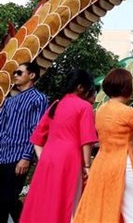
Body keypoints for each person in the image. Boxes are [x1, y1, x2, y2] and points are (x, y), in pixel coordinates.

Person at [74, 68, 133, 222]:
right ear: (127, 88)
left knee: (106, 207)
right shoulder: (128, 112)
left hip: (101, 165)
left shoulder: (100, 110)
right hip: (123, 165)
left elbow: (125, 131)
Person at [20, 69, 97, 223]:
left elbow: (36, 139)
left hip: (48, 158)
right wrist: (87, 165)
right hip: (69, 159)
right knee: (69, 202)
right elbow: (87, 141)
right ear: (81, 87)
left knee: (46, 201)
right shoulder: (84, 106)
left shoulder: (56, 104)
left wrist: (44, 158)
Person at [0, 62, 47, 223]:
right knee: (7, 199)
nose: (15, 75)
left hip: (18, 156)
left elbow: (37, 130)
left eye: (19, 73)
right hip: (2, 154)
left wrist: (26, 157)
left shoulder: (38, 99)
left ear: (32, 75)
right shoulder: (9, 102)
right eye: (14, 72)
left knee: (7, 198)